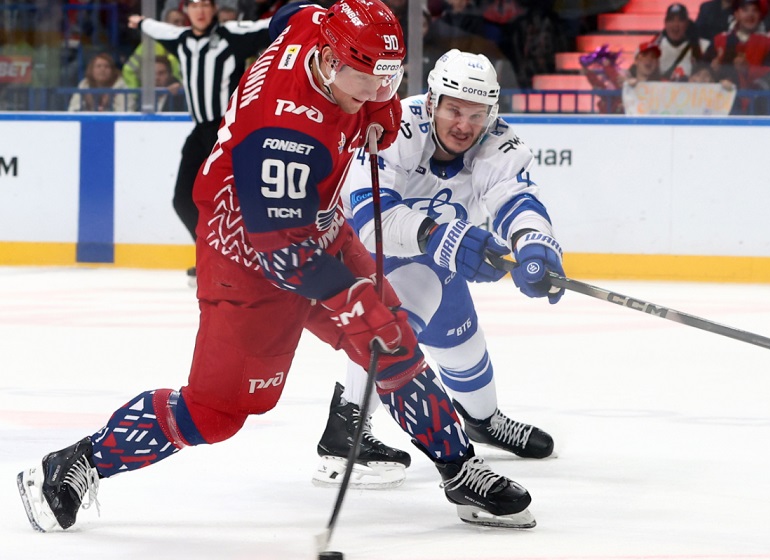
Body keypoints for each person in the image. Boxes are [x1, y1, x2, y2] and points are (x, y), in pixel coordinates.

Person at [16, 0, 535, 533]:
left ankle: (459, 469)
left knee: (393, 343)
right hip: (247, 255)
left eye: (390, 79)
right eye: (368, 82)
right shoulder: (284, 134)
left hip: (315, 227)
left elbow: (289, 13)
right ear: (331, 62)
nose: (379, 92)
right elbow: (284, 253)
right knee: (215, 413)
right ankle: (76, 463)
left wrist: (376, 104)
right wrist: (353, 302)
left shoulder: (316, 28)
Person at [313, 49, 563, 489]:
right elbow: (371, 220)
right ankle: (344, 431)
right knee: (393, 325)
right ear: (432, 102)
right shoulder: (392, 126)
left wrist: (534, 243)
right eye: (454, 110)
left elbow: (516, 198)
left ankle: (482, 422)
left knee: (464, 346)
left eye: (476, 114)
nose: (464, 125)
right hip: (367, 254)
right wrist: (442, 237)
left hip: (438, 260)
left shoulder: (498, 141)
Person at [128, 0, 271, 287]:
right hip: (200, 133)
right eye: (194, 5)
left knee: (240, 200)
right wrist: (141, 22)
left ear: (214, 8)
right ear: (186, 11)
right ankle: (212, 256)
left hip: (230, 132)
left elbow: (268, 26)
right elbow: (161, 30)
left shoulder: (231, 35)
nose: (200, 10)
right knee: (183, 199)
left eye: (206, 4)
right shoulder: (181, 40)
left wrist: (308, 13)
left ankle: (254, 259)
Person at [712, 0, 770, 91]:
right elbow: (703, 71)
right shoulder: (720, 40)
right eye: (745, 10)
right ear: (736, 14)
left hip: (760, 97)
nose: (750, 15)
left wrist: (748, 70)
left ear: (760, 15)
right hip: (725, 96)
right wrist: (713, 70)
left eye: (755, 10)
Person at [654, 3, 714, 81]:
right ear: (665, 23)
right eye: (671, 20)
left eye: (680, 20)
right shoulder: (655, 48)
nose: (675, 25)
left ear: (687, 24)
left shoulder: (705, 47)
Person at [67, 52, 135, 112]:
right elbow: (73, 109)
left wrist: (111, 103)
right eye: (98, 66)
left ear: (112, 71)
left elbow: (126, 112)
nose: (102, 69)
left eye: (107, 66)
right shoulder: (84, 84)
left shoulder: (120, 86)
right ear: (91, 70)